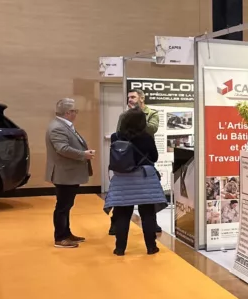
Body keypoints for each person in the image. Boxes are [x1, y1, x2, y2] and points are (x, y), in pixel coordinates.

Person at [105, 109, 165, 256]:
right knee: (148, 214)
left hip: (122, 180)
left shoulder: (116, 137)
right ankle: (151, 247)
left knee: (122, 215)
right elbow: (154, 157)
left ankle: (120, 248)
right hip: (144, 179)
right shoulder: (146, 137)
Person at [45, 98, 95, 249]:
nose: (76, 113)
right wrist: (83, 154)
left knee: (66, 205)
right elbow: (62, 149)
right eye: (75, 111)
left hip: (68, 173)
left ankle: (66, 233)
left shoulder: (64, 125)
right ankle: (60, 238)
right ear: (68, 112)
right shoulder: (57, 127)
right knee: (63, 206)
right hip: (64, 173)